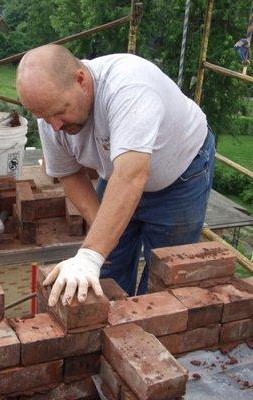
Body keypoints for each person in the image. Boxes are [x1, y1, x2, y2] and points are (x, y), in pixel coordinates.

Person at [17, 44, 215, 307]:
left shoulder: (128, 87)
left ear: (81, 80)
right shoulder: (51, 114)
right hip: (119, 175)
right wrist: (98, 244)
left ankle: (147, 333)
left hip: (179, 175)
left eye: (59, 111)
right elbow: (69, 174)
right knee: (106, 267)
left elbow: (131, 176)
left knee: (165, 280)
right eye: (44, 117)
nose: (55, 126)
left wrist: (89, 254)